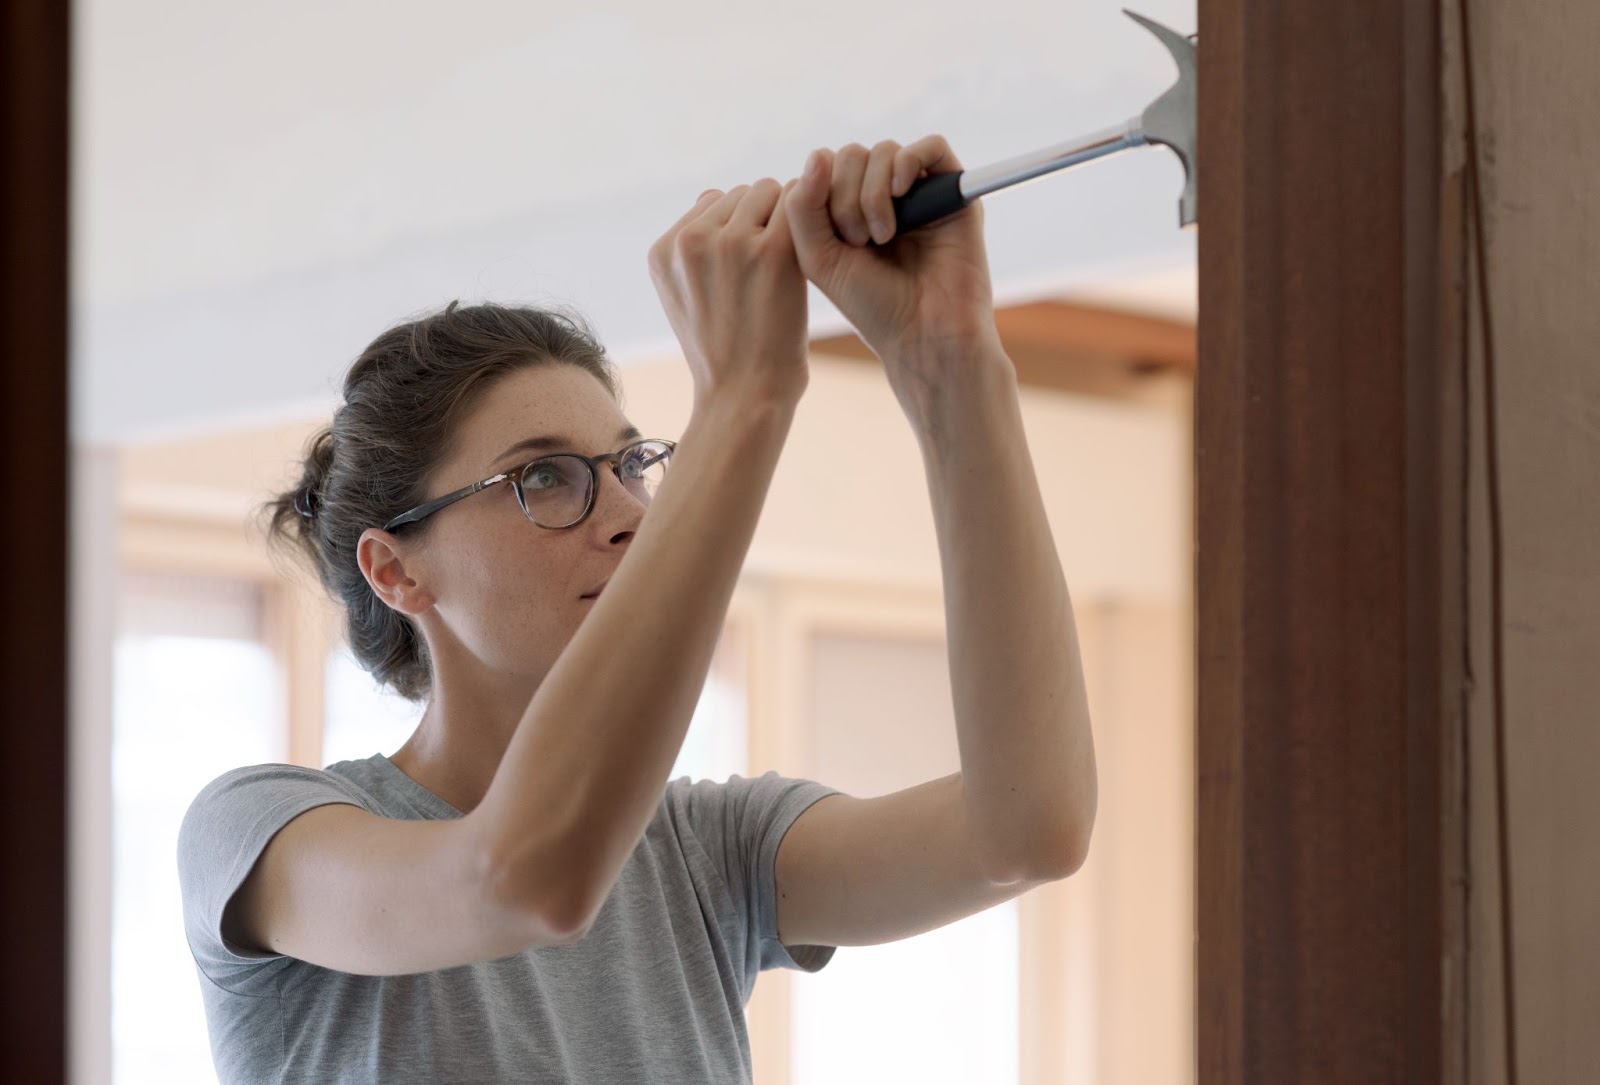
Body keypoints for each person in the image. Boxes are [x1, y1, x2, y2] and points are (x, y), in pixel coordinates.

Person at [177, 135, 1097, 1083]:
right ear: (398, 570)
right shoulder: (259, 828)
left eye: (628, 467)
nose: (626, 516)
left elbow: (1026, 830)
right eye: (542, 475)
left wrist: (955, 369)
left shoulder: (708, 851)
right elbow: (526, 878)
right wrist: (745, 395)